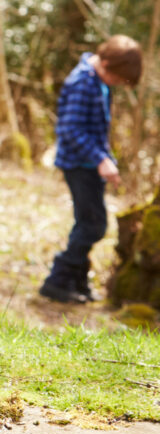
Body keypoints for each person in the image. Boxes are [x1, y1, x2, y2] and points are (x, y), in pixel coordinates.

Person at [39, 34, 142, 304]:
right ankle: (57, 280)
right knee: (94, 226)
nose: (118, 84)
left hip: (91, 165)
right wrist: (100, 159)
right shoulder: (82, 82)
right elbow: (69, 129)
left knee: (87, 223)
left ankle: (78, 282)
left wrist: (106, 159)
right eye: (117, 79)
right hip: (79, 165)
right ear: (106, 63)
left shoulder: (98, 81)